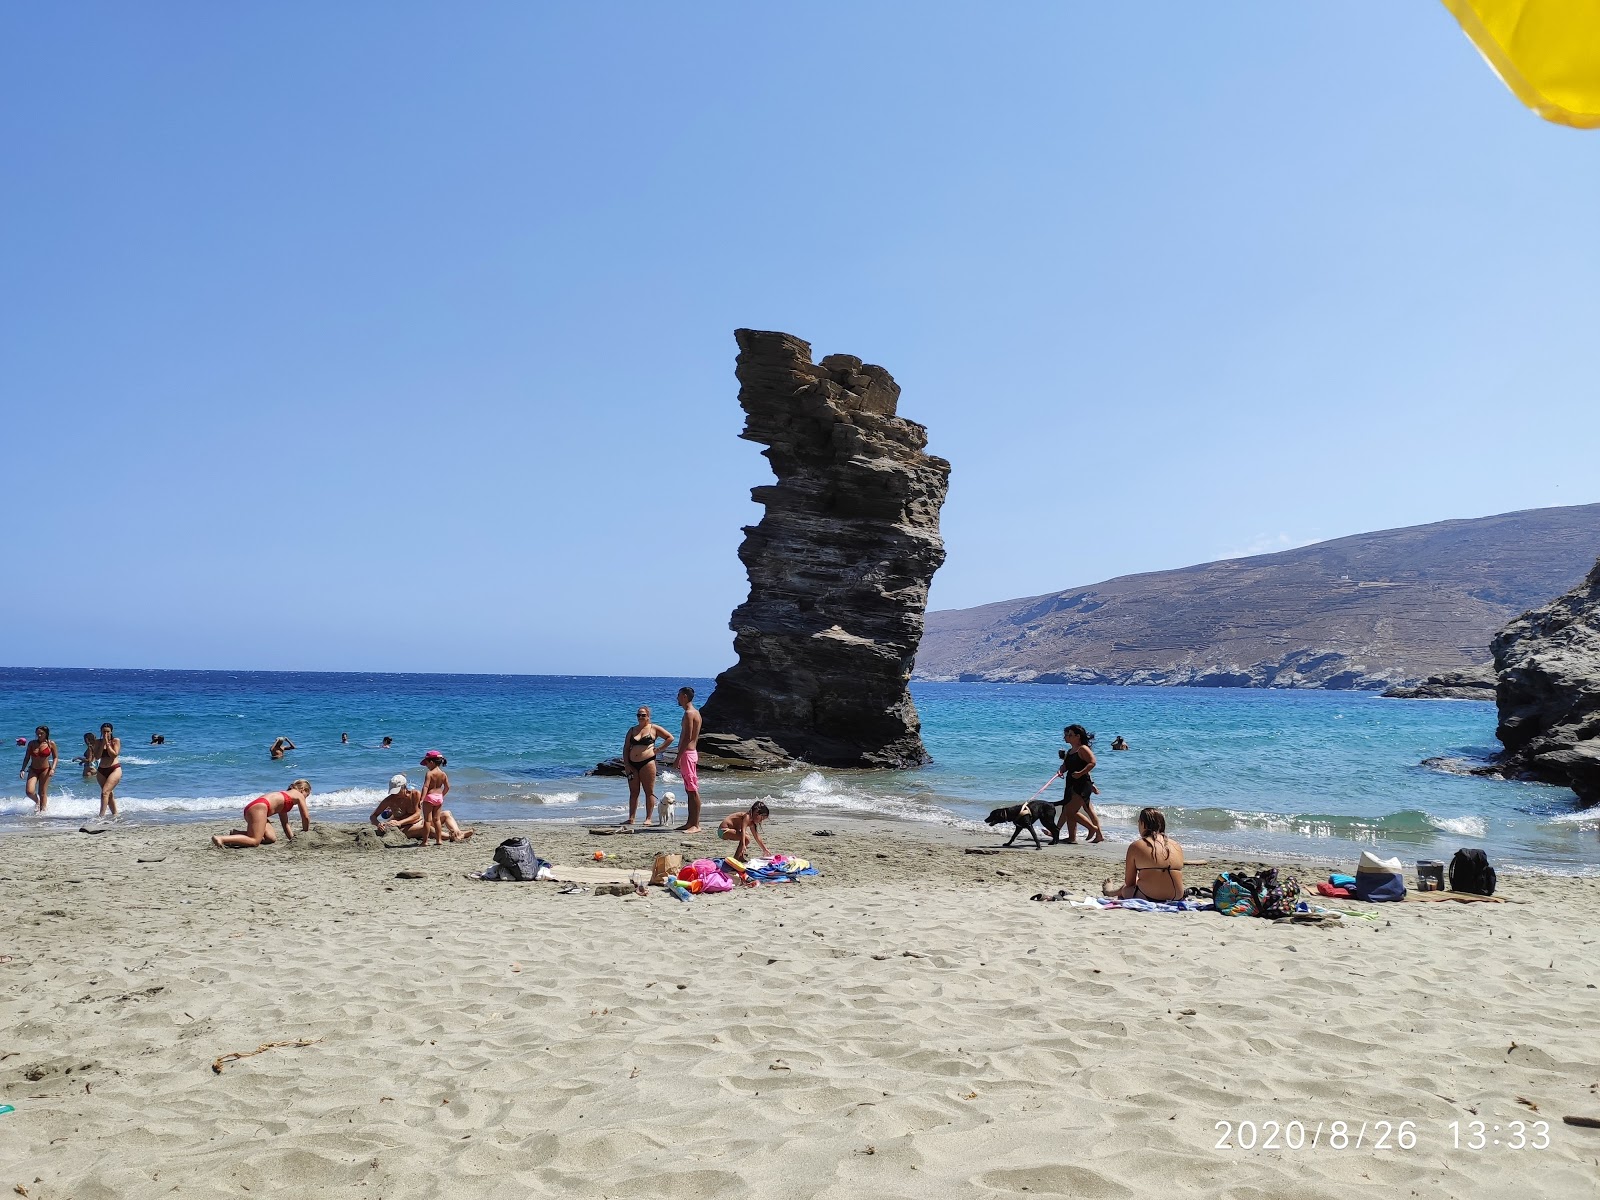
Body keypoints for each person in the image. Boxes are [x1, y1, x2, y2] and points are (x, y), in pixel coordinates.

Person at [1106, 807, 1185, 900]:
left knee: (1126, 889)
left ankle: (1109, 892)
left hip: (1149, 896)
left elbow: (1129, 883)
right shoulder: (1176, 845)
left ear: (1143, 824)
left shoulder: (1136, 846)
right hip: (1177, 896)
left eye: (1139, 822)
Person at [369, 773, 474, 842]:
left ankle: (458, 833)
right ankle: (450, 836)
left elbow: (417, 815)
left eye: (397, 791)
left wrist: (399, 822)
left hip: (419, 822)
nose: (395, 794)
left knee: (446, 814)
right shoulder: (390, 799)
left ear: (404, 787)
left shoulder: (415, 794)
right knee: (426, 827)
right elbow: (373, 816)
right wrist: (378, 824)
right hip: (404, 828)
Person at [213, 780, 313, 848]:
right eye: (306, 796)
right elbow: (306, 817)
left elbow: (285, 824)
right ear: (303, 789)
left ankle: (236, 834)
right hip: (259, 808)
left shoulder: (286, 800)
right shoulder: (298, 794)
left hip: (257, 808)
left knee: (270, 838)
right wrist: (306, 832)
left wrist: (292, 839)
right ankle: (221, 838)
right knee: (255, 841)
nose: (305, 798)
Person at [620, 706, 674, 826]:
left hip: (647, 762)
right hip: (632, 764)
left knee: (649, 791)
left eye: (643, 715)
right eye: (638, 715)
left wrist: (659, 749)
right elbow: (625, 748)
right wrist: (627, 764)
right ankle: (631, 818)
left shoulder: (653, 728)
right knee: (633, 792)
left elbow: (670, 738)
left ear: (648, 716)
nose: (640, 717)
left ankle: (648, 818)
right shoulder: (632, 730)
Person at [1056, 724, 1103, 844]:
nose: (1066, 737)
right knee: (1068, 810)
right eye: (1066, 735)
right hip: (1071, 783)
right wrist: (1061, 770)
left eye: (1070, 735)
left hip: (1081, 784)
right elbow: (1067, 766)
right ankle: (1072, 837)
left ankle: (1093, 829)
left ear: (1078, 736)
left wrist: (1081, 773)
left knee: (1070, 811)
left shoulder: (1083, 749)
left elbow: (1092, 763)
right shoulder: (1070, 751)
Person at [675, 687, 703, 832]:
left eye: (679, 695)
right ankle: (690, 822)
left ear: (685, 697)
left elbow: (688, 737)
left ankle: (696, 824)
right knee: (689, 789)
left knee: (693, 790)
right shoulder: (695, 713)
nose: (677, 698)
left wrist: (677, 757)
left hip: (688, 753)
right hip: (690, 753)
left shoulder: (689, 713)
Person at [19, 726, 57, 813]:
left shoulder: (51, 744)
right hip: (33, 769)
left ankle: (42, 814)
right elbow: (27, 757)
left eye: (41, 733)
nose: (39, 735)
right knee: (29, 791)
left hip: (45, 769)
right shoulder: (32, 743)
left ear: (46, 734)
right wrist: (22, 769)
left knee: (42, 793)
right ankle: (37, 802)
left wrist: (53, 769)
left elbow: (55, 758)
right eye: (37, 733)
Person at [418, 751, 450, 847]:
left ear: (431, 762)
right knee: (437, 820)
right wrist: (441, 796)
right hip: (439, 798)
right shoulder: (443, 774)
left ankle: (425, 841)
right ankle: (439, 840)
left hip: (429, 797)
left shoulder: (429, 773)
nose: (426, 766)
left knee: (427, 820)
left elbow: (426, 787)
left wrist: (422, 799)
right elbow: (447, 787)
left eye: (427, 763)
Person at [94, 723, 122, 819]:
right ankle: (115, 815)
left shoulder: (115, 741)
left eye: (108, 731)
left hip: (114, 769)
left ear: (111, 732)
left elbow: (114, 755)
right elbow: (97, 756)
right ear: (101, 731)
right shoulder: (98, 742)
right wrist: (103, 744)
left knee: (104, 792)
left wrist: (108, 744)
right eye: (104, 731)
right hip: (102, 770)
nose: (106, 733)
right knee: (109, 794)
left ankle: (101, 816)